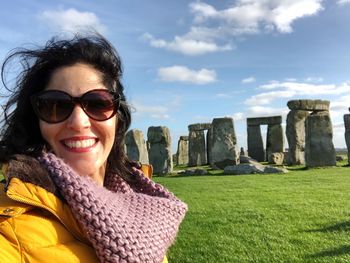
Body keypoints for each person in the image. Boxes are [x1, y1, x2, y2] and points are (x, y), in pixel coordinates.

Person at [0, 33, 187, 263]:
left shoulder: (144, 210)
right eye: (55, 106)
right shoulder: (8, 232)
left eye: (98, 103)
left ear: (117, 118)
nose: (79, 122)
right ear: (36, 122)